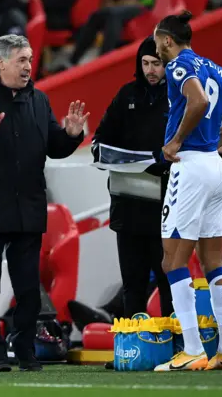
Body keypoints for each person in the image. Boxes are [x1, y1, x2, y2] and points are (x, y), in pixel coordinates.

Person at [0, 34, 89, 372]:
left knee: (28, 288)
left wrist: (71, 135)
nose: (29, 66)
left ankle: (25, 350)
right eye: (22, 60)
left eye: (29, 59)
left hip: (27, 207)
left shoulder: (39, 101)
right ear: (0, 64)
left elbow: (54, 146)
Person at [152, 11, 222, 371]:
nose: (157, 49)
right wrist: (220, 141)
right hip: (217, 169)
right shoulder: (214, 66)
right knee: (212, 260)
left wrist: (176, 140)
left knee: (173, 261)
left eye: (157, 43)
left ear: (167, 40)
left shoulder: (179, 66)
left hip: (190, 166)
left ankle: (192, 349)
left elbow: (197, 101)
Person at [91, 36, 173, 318]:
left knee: (168, 283)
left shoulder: (180, 96)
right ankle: (133, 351)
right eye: (146, 63)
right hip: (127, 205)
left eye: (157, 64)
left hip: (165, 206)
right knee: (132, 284)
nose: (150, 70)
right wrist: (100, 152)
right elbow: (101, 137)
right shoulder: (127, 95)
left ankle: (177, 347)